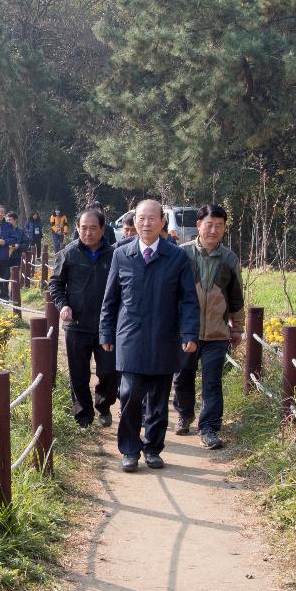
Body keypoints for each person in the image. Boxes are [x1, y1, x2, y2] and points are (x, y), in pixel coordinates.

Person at [99, 199, 199, 472]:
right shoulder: (122, 255)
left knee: (158, 399)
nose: (146, 223)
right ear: (134, 221)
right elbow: (110, 300)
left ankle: (153, 448)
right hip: (130, 337)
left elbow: (189, 300)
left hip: (165, 337)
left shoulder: (177, 257)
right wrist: (106, 332)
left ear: (162, 222)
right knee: (130, 395)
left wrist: (189, 332)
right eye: (141, 218)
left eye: (152, 218)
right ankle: (130, 450)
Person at [173, 204, 245, 449]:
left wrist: (237, 328)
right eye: (209, 224)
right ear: (199, 225)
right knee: (182, 376)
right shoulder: (181, 254)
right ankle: (185, 414)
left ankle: (210, 428)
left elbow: (236, 297)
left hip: (217, 332)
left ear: (224, 229)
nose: (213, 230)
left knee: (212, 380)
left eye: (219, 225)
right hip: (186, 331)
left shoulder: (229, 259)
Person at [49, 209, 119, 429]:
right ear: (77, 228)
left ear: (102, 229)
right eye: (83, 228)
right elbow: (55, 285)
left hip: (107, 326)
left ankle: (104, 405)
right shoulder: (68, 254)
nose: (88, 232)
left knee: (108, 372)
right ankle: (84, 416)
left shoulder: (115, 255)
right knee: (78, 373)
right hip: (77, 325)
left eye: (93, 228)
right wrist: (64, 305)